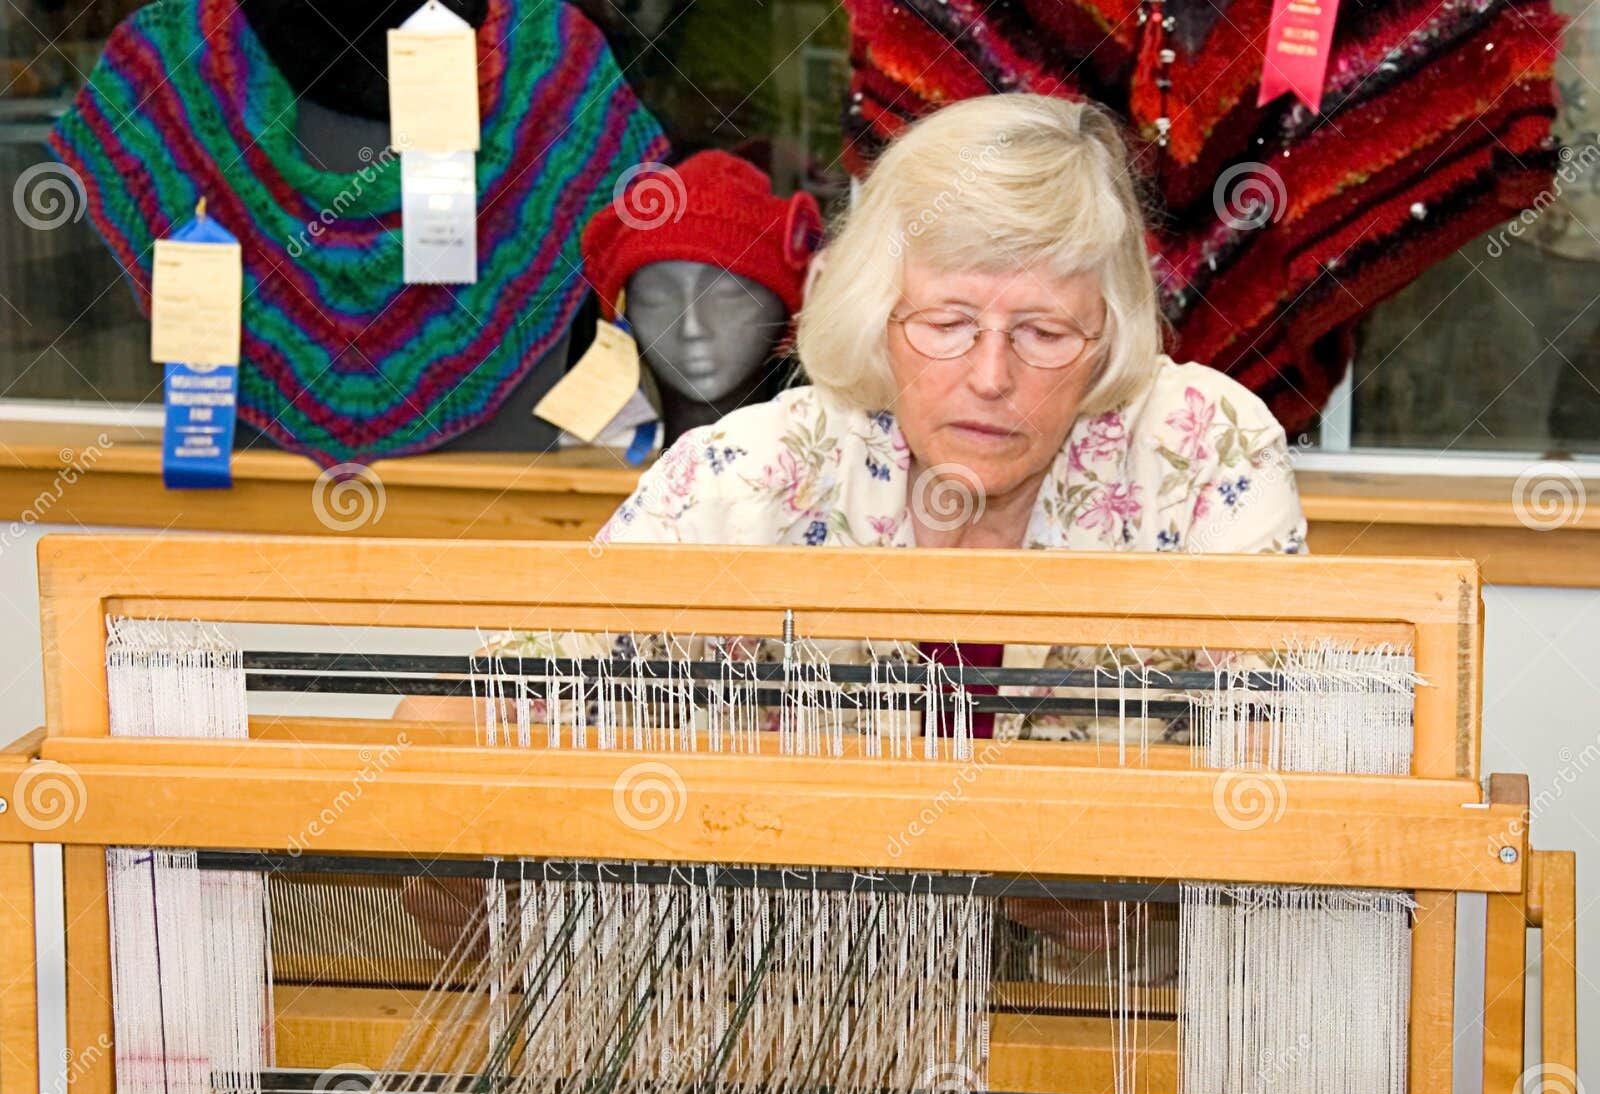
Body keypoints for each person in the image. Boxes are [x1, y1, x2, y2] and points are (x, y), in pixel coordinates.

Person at [402, 90, 1308, 949]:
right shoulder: (758, 470)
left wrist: (1157, 895)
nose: (991, 376)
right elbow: (470, 716)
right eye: (948, 321)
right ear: (878, 318)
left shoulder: (1203, 454)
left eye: (1043, 332)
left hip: (1117, 1045)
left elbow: (1292, 783)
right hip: (791, 1026)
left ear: (1108, 335)